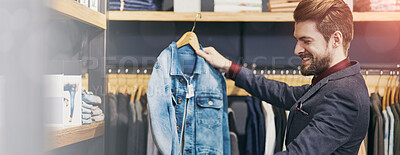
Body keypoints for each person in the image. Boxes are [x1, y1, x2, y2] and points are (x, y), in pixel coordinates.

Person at [195, 0, 370, 154]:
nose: (297, 50)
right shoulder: (334, 81)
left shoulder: (345, 95)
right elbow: (282, 93)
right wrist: (228, 66)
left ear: (336, 40)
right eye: (297, 40)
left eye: (306, 41)